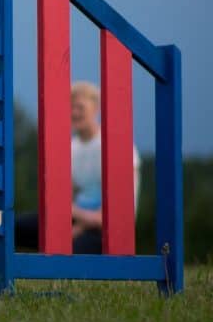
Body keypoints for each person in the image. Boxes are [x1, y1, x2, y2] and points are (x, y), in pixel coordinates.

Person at [15, 81, 141, 253]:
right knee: (13, 227)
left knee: (71, 251)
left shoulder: (117, 146)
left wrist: (77, 227)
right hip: (75, 219)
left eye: (80, 107)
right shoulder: (71, 148)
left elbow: (117, 211)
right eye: (71, 107)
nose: (74, 113)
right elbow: (65, 198)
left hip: (106, 228)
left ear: (96, 108)